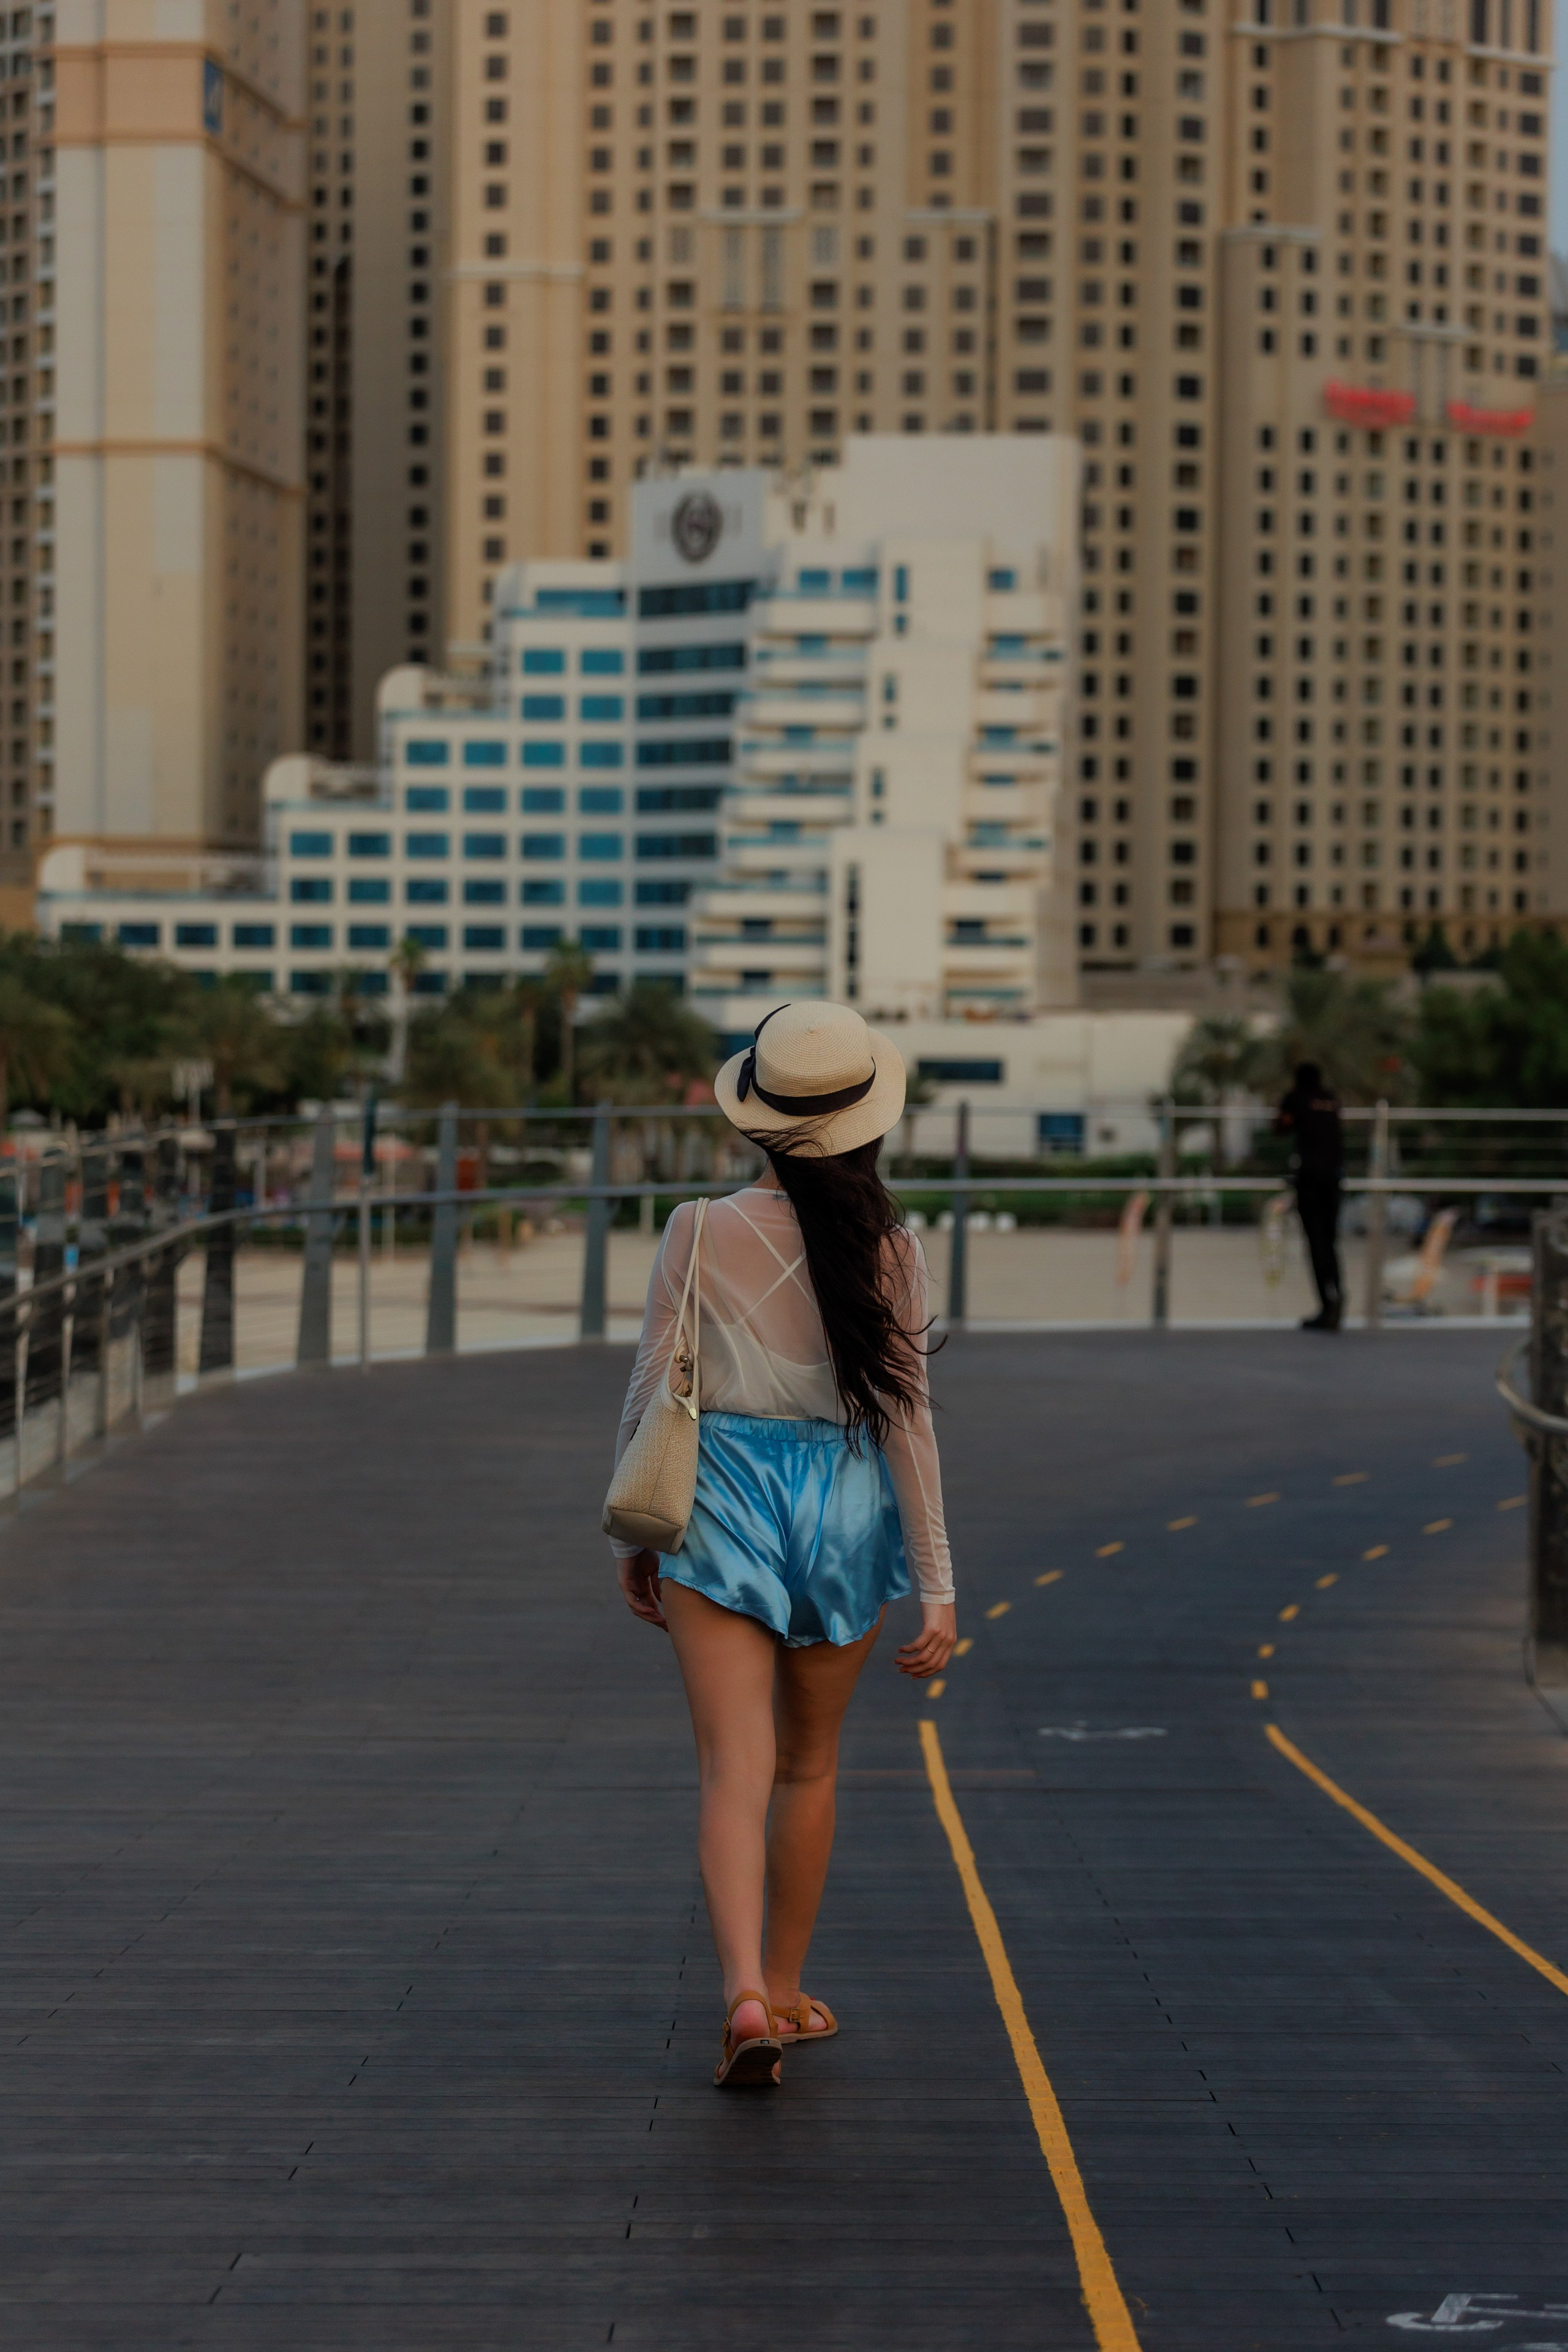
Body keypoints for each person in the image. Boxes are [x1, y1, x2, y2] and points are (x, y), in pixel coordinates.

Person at [609, 1000, 957, 2089]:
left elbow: (649, 1383)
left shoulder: (696, 1228)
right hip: (846, 1504)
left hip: (720, 1498)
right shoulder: (893, 1248)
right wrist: (939, 1584)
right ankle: (793, 1988)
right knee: (810, 1764)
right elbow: (909, 1420)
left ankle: (744, 1994)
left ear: (755, 1115)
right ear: (870, 1119)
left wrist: (632, 1529)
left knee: (734, 1767)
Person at [1275, 1059, 1344, 1330]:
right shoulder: (1331, 1099)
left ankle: (1328, 1304)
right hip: (1334, 1177)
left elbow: (1281, 1128)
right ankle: (1338, 1295)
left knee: (1316, 1243)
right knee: (1331, 1241)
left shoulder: (1296, 1098)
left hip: (1310, 1179)